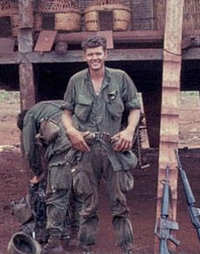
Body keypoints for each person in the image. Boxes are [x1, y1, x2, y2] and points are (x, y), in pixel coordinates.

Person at [61, 35, 141, 254]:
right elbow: (66, 113)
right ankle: (86, 247)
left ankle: (126, 248)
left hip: (114, 147)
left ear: (105, 54)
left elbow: (135, 108)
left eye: (98, 53)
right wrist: (71, 132)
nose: (94, 57)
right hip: (85, 148)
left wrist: (129, 130)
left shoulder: (120, 78)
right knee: (87, 203)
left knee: (119, 202)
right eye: (90, 54)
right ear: (84, 56)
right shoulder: (76, 81)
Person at [17, 100, 77, 254]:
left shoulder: (29, 117)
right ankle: (76, 237)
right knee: (77, 192)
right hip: (84, 142)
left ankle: (54, 244)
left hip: (65, 148)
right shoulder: (52, 107)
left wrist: (39, 173)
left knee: (57, 195)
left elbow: (30, 150)